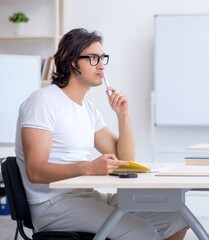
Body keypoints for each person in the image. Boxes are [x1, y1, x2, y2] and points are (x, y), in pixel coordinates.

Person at [15, 28, 188, 240]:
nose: (102, 65)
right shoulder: (43, 102)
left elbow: (124, 159)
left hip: (87, 196)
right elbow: (35, 170)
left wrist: (123, 115)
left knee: (176, 218)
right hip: (52, 203)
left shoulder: (87, 109)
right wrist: (88, 168)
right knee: (143, 232)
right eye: (93, 58)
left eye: (103, 57)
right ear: (71, 62)